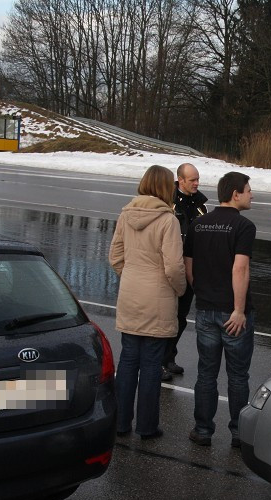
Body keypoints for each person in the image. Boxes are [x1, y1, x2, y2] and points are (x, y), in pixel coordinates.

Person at [109, 165, 186, 440]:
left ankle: (120, 423)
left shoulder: (125, 213)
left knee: (128, 361)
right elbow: (174, 267)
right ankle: (147, 426)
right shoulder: (168, 220)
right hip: (158, 297)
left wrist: (130, 275)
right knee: (152, 364)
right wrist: (179, 290)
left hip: (130, 293)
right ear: (167, 187)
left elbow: (115, 257)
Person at [185, 171, 256, 448]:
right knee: (238, 376)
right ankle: (238, 433)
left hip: (205, 308)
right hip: (233, 312)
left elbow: (188, 264)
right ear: (235, 194)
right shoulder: (244, 226)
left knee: (206, 374)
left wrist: (202, 292)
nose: (252, 195)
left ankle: (203, 430)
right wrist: (238, 310)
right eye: (249, 190)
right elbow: (240, 268)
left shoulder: (199, 224)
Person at [162, 163, 209, 381]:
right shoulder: (167, 202)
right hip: (170, 268)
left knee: (180, 317)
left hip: (191, 268)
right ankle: (160, 361)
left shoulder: (201, 205)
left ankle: (169, 357)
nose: (197, 183)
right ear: (180, 180)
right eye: (192, 180)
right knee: (167, 317)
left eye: (198, 179)